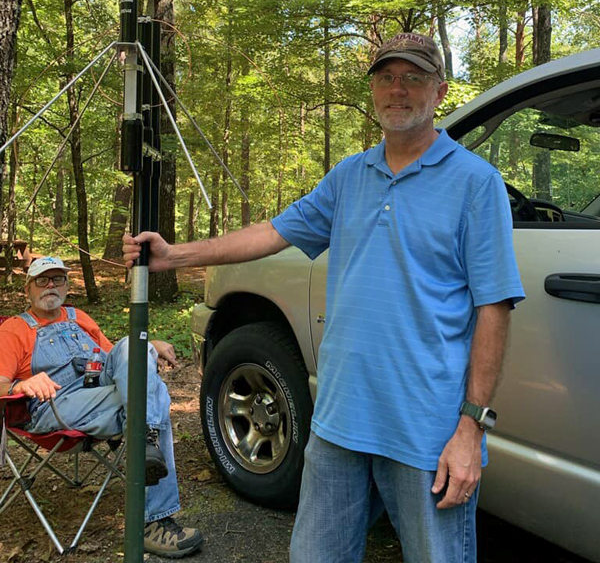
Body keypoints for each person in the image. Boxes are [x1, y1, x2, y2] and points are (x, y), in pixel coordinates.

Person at [123, 32, 525, 563]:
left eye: (414, 78)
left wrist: (470, 428)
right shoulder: (349, 177)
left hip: (426, 429)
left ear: (439, 90)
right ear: (374, 90)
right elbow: (272, 234)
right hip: (339, 421)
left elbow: (493, 308)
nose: (397, 90)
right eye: (386, 78)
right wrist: (174, 256)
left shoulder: (476, 183)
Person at [0, 255, 203, 559]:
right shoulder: (15, 329)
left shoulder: (79, 317)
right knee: (151, 394)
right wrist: (21, 385)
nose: (51, 285)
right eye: (42, 280)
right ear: (28, 288)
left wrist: (149, 346)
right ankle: (152, 519)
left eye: (58, 279)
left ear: (67, 285)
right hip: (54, 405)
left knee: (137, 347)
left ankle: (144, 438)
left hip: (100, 391)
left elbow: (119, 358)